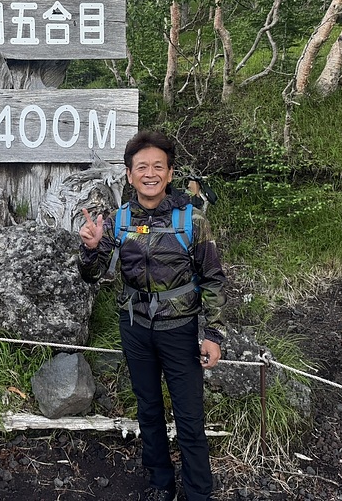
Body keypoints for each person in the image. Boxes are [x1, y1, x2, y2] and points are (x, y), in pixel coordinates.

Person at [78, 130, 227, 501]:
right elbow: (93, 275)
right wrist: (92, 249)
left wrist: (214, 334)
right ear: (129, 175)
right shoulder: (118, 220)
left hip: (180, 330)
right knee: (149, 410)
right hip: (135, 328)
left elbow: (213, 279)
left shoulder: (191, 221)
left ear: (170, 173)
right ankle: (160, 483)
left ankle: (197, 492)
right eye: (141, 167)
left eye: (157, 166)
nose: (149, 173)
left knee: (190, 417)